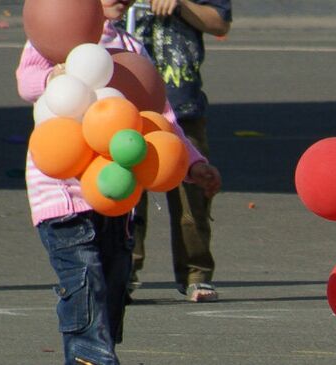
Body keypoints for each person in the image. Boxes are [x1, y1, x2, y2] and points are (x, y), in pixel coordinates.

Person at [15, 0, 221, 363]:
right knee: (84, 281)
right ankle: (91, 357)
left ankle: (99, 350)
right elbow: (26, 82)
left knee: (112, 283)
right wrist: (53, 76)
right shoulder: (54, 35)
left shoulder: (130, 46)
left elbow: (160, 117)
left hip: (117, 193)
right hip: (63, 195)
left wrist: (192, 162)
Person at [126, 0, 231, 303]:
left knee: (192, 198)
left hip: (181, 103)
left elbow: (219, 22)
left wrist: (180, 4)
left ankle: (196, 274)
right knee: (128, 194)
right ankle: (124, 271)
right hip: (126, 104)